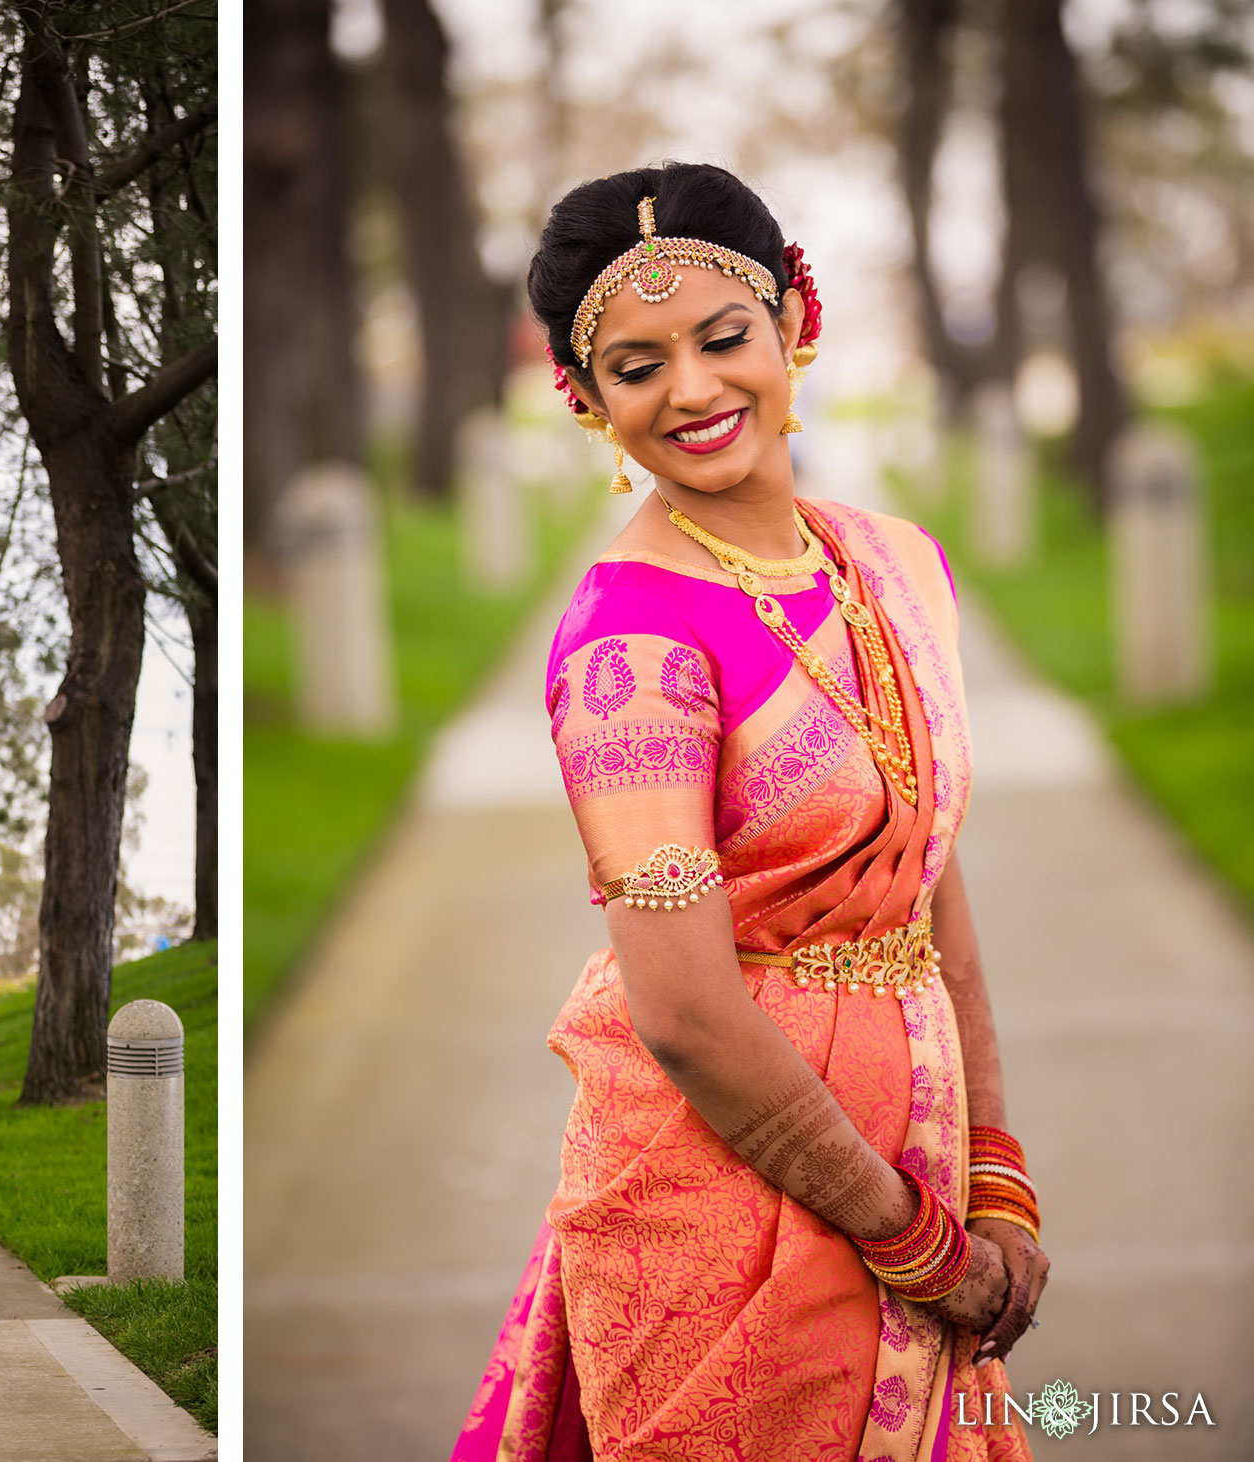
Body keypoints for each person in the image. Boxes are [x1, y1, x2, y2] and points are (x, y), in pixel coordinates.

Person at [452, 164, 1049, 1461]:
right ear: (583, 397)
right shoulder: (629, 652)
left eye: (725, 338)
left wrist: (993, 1170)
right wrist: (913, 1238)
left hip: (924, 1142)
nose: (694, 390)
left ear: (797, 319)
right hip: (723, 1206)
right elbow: (684, 1011)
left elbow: (932, 868)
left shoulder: (897, 561)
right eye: (636, 364)